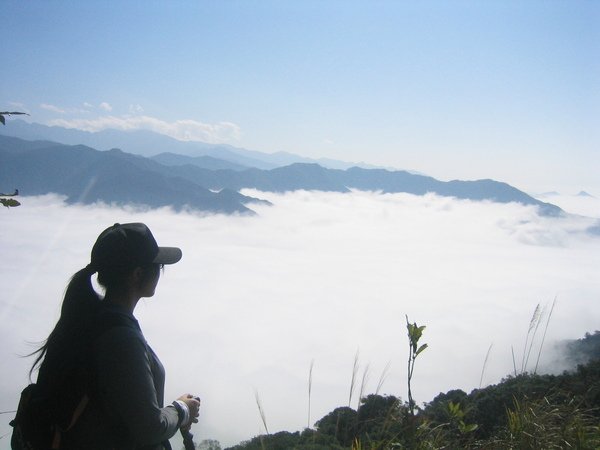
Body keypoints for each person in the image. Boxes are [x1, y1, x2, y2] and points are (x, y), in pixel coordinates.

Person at [28, 222, 200, 449]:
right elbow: (149, 428)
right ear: (137, 274)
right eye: (157, 266)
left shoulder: (87, 320)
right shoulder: (120, 338)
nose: (160, 273)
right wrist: (182, 409)